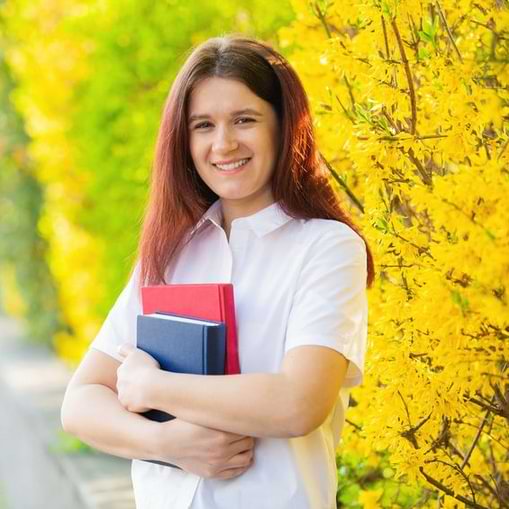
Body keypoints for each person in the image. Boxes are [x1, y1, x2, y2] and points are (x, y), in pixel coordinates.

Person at [61, 34, 375, 509]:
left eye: (244, 120)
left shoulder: (326, 248)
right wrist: (167, 445)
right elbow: (81, 401)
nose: (224, 143)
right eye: (203, 125)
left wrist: (153, 386)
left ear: (283, 126)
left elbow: (298, 402)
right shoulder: (170, 252)